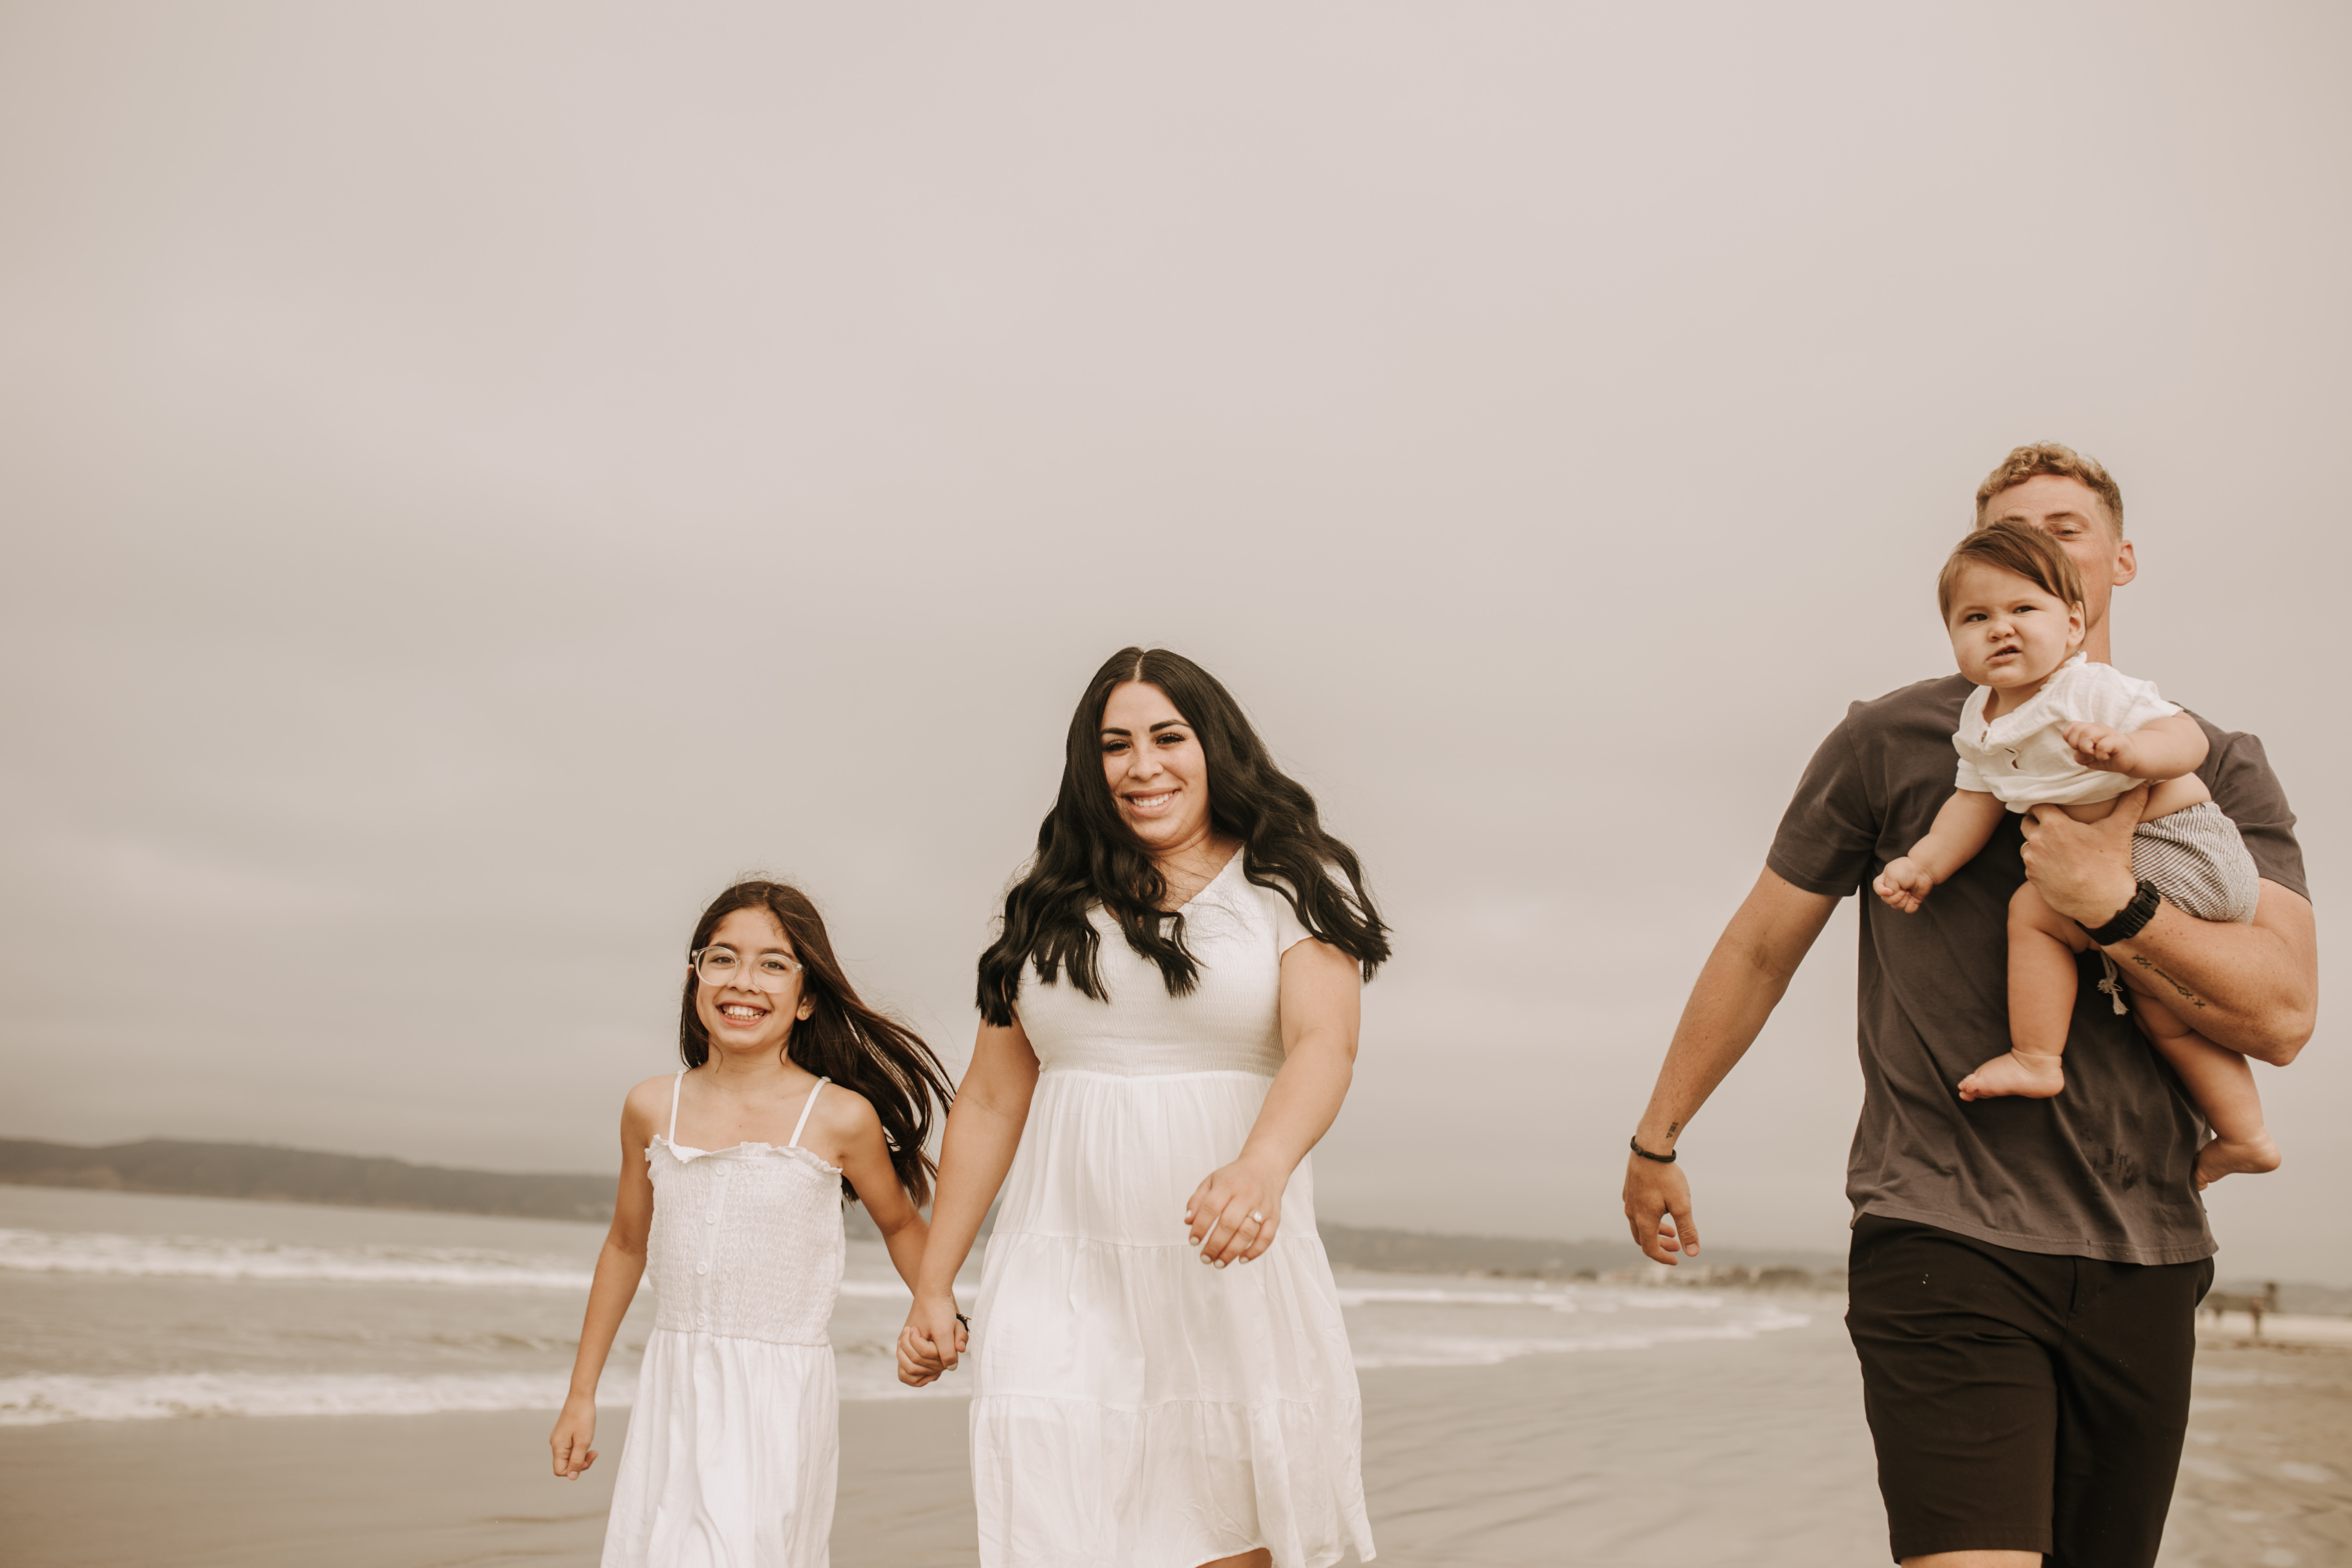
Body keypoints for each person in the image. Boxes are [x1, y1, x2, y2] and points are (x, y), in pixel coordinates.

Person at [1621, 444, 2316, 1568]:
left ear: (2114, 565)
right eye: (2007, 537)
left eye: (2065, 530)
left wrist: (2115, 902)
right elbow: (1760, 945)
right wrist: (1658, 1134)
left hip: (2147, 1248)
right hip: (1941, 1228)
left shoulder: (2211, 763)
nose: (2037, 550)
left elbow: (2283, 1017)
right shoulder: (1899, 743)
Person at [896, 647, 1389, 1568]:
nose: (1142, 765)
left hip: (1224, 1257)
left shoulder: (1292, 882)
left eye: (1168, 737)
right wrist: (935, 1282)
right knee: (1057, 1512)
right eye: (1115, 744)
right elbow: (995, 1098)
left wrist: (1262, 1165)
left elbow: (1327, 1046)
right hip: (1060, 1259)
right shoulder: (1039, 897)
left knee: (1229, 1519)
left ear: (1216, 747)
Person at [549, 880, 954, 1568]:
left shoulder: (839, 1117)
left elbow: (900, 1225)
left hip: (779, 1398)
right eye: (724, 958)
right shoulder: (651, 1107)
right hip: (674, 1386)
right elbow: (625, 1244)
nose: (745, 981)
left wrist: (940, 1309)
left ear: (805, 998)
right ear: (695, 978)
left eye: (774, 963)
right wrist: (580, 1394)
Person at [1871, 520, 2278, 1187]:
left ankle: (2037, 1056)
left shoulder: (2086, 690)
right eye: (1977, 617)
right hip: (2141, 873)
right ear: (1953, 642)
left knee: (2034, 909)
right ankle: (2246, 1135)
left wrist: (2135, 752)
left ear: (2072, 626)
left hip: (2180, 849)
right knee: (2161, 1010)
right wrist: (1924, 865)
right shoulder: (1983, 722)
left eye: (2023, 609)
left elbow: (2186, 739)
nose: (2001, 628)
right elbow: (1973, 804)